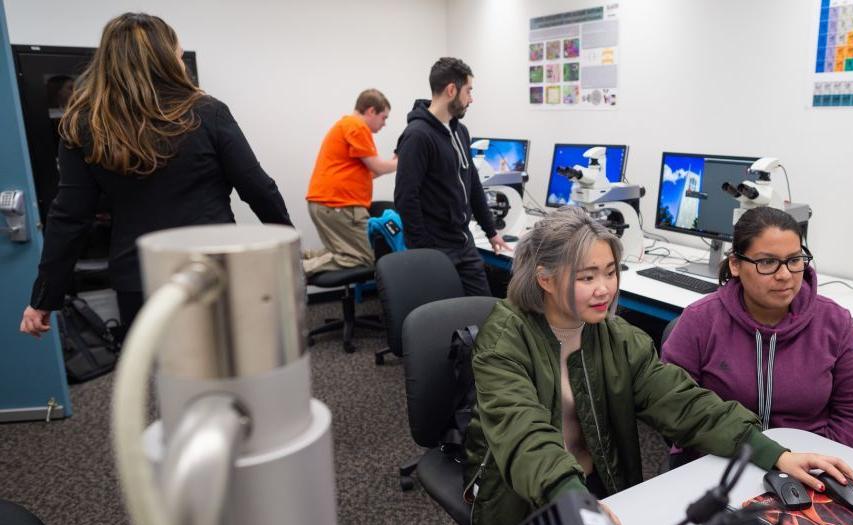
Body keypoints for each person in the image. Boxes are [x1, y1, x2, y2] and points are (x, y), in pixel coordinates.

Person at [463, 206, 853, 525]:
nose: (604, 289)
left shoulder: (616, 337)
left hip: (602, 484)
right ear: (545, 279)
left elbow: (680, 401)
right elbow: (524, 433)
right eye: (586, 277)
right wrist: (571, 498)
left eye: (610, 272)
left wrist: (773, 452)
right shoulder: (505, 340)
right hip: (524, 497)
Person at [19, 13, 291, 339]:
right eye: (177, 53)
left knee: (164, 378)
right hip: (210, 269)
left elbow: (69, 217)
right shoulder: (207, 112)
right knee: (222, 375)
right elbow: (258, 188)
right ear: (166, 59)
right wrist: (289, 246)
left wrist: (43, 298)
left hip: (139, 276)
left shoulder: (85, 125)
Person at [662, 207, 853, 463]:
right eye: (767, 262)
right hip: (720, 461)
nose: (785, 275)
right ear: (735, 264)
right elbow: (675, 410)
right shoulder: (700, 320)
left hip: (811, 466)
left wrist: (819, 464)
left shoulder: (834, 322)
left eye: (794, 260)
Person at [393, 57, 509, 296]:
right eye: (469, 91)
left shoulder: (460, 132)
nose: (471, 99)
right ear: (451, 90)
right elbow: (406, 198)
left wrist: (491, 231)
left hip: (463, 244)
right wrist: (425, 250)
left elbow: (473, 184)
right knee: (445, 321)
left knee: (483, 313)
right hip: (435, 249)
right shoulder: (417, 136)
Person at [303, 88, 398, 275]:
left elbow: (370, 172)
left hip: (326, 204)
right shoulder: (357, 126)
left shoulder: (346, 125)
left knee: (342, 253)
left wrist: (393, 163)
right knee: (362, 257)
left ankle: (305, 258)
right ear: (371, 111)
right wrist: (401, 163)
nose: (384, 124)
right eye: (384, 118)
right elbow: (377, 166)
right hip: (339, 205)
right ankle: (300, 268)